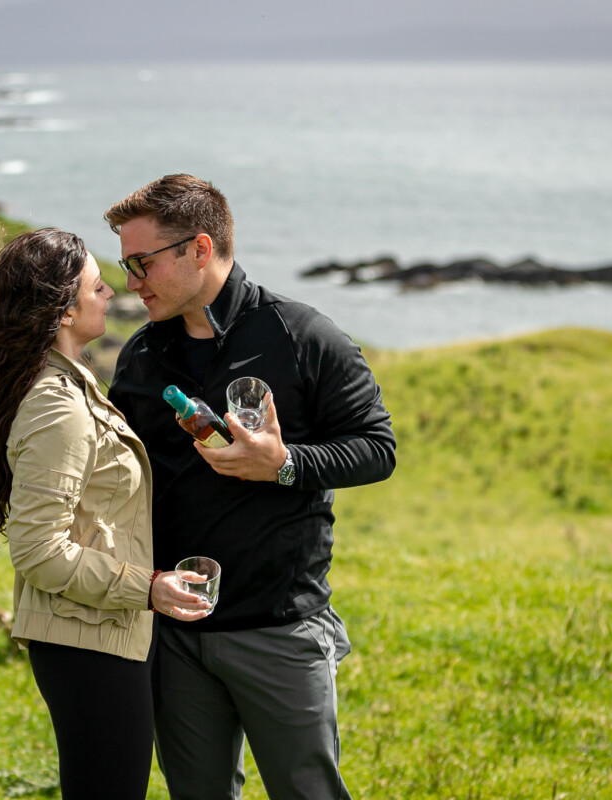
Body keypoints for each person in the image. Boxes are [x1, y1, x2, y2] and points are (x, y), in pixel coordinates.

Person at [104, 175, 397, 800]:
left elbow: (378, 448)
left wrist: (284, 464)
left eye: (142, 263)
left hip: (280, 628)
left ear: (199, 249)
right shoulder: (140, 357)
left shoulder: (303, 336)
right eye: (126, 266)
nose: (132, 282)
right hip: (175, 631)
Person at [0, 228, 209, 800]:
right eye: (97, 285)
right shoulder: (56, 405)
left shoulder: (66, 383)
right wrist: (147, 588)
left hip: (95, 633)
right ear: (64, 310)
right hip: (88, 642)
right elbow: (39, 549)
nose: (113, 292)